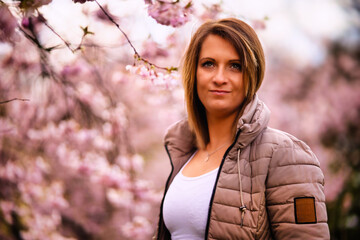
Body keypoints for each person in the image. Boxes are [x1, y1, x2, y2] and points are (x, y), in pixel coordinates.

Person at [155, 18, 330, 239]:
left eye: (235, 66)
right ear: (194, 72)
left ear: (252, 75)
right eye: (208, 63)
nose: (219, 78)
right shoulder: (185, 153)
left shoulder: (286, 154)